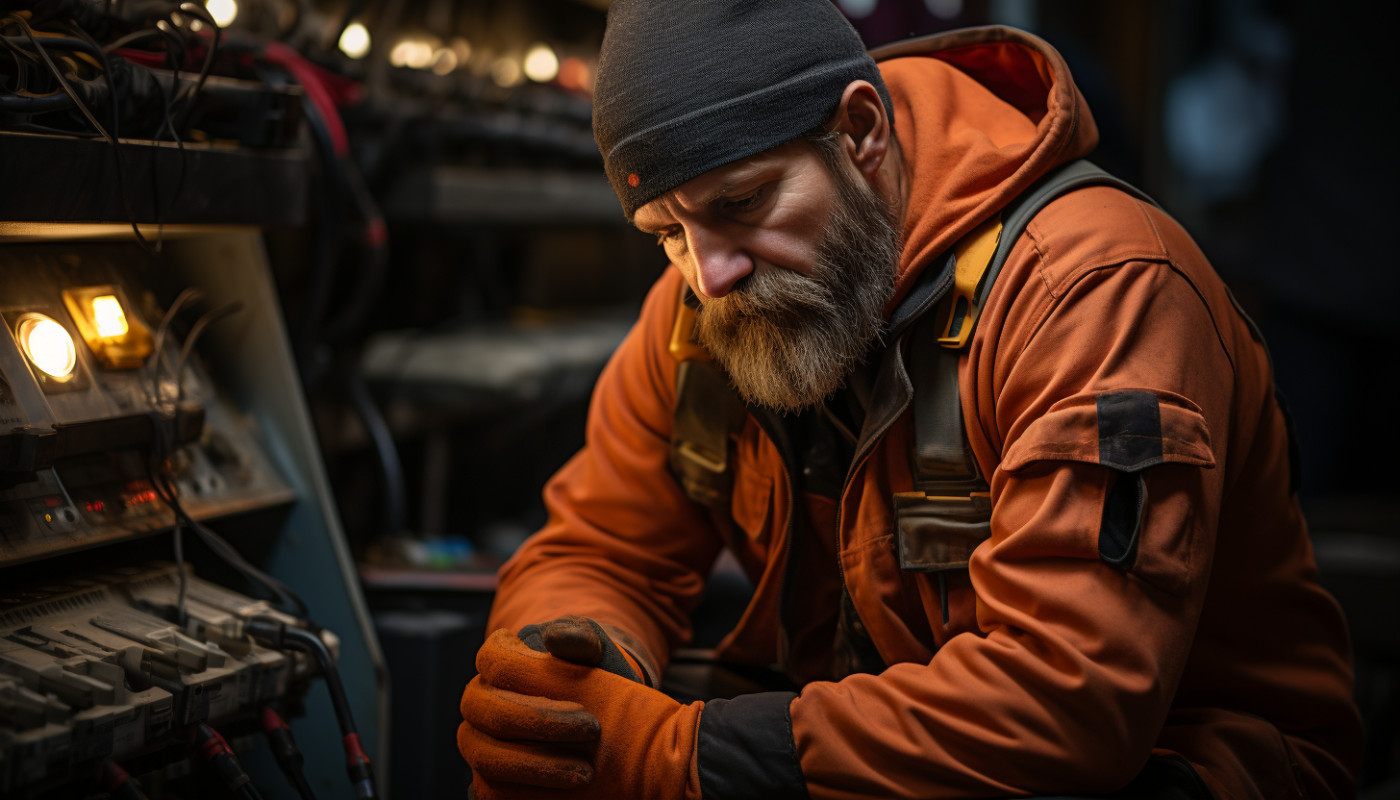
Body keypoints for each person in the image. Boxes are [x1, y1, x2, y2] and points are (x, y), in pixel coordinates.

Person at [457, 2, 1364, 798]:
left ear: (860, 134)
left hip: (1177, 765)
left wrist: (679, 755)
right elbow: (603, 547)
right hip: (870, 747)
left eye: (742, 200)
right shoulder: (709, 303)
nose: (709, 273)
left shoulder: (1093, 290)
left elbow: (1068, 699)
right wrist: (575, 681)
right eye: (667, 232)